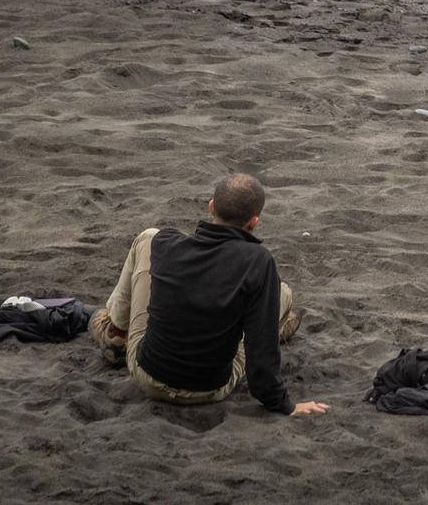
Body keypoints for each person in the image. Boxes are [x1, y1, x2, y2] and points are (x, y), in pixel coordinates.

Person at [88, 173, 328, 416]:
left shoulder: (166, 244)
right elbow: (262, 360)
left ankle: (117, 330)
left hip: (148, 375)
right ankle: (277, 326)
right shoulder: (257, 261)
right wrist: (283, 406)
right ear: (254, 222)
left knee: (147, 237)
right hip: (210, 387)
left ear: (210, 206)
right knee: (281, 292)